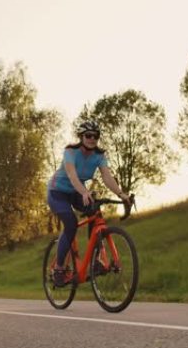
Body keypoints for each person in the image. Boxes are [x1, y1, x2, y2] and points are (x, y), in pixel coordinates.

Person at [47, 120, 130, 287]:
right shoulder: (71, 151)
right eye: (88, 135)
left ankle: (96, 260)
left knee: (95, 212)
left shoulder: (99, 156)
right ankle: (59, 268)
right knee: (71, 224)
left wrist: (121, 194)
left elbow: (107, 177)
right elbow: (71, 175)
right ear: (81, 136)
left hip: (77, 192)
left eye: (96, 136)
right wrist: (84, 191)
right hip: (58, 193)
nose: (92, 139)